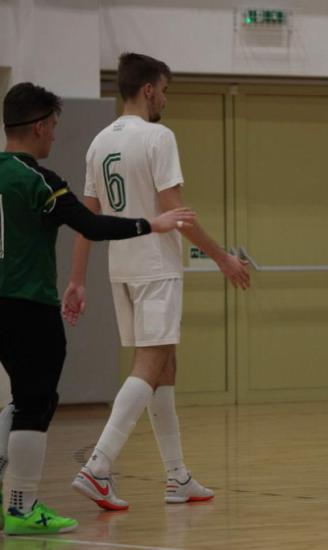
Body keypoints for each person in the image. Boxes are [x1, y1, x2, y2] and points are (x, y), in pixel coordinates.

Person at [0, 82, 194, 535]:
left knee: (20, 400)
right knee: (34, 404)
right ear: (39, 126)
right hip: (28, 305)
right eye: (53, 126)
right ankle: (22, 508)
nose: (54, 135)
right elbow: (91, 224)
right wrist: (151, 223)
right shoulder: (39, 181)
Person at [62, 52, 250, 511]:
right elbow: (177, 214)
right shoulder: (158, 137)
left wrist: (77, 279)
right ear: (148, 90)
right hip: (155, 266)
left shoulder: (99, 142)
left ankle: (176, 476)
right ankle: (98, 466)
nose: (165, 98)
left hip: (121, 268)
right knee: (150, 364)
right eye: (164, 90)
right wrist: (222, 257)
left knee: (165, 366)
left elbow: (87, 219)